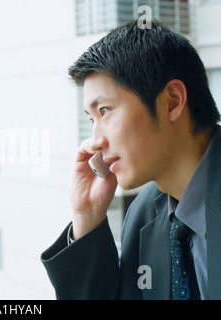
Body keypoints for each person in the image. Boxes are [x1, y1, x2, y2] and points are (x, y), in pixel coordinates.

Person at [40, 20, 221, 300]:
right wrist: (87, 217)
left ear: (172, 101)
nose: (95, 140)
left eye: (105, 110)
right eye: (91, 119)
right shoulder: (143, 214)